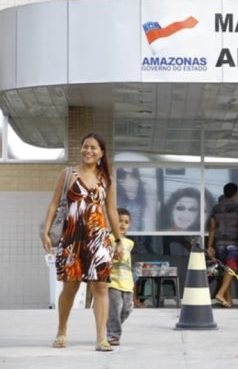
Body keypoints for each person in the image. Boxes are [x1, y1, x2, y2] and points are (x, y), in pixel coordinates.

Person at [41, 132, 122, 352]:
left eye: (93, 148)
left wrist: (119, 240)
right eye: (85, 146)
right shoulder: (68, 174)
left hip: (99, 239)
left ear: (101, 153)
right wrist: (46, 232)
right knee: (70, 287)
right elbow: (54, 204)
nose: (88, 150)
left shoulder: (107, 179)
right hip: (71, 239)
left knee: (101, 287)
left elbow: (112, 211)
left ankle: (101, 338)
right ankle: (61, 331)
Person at [207, 182, 238, 308]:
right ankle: (220, 294)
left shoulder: (216, 209)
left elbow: (212, 228)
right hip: (233, 243)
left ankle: (229, 300)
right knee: (231, 269)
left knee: (226, 271)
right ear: (235, 193)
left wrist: (209, 246)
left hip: (219, 244)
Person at [107, 208, 135, 346]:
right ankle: (113, 334)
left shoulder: (129, 243)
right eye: (119, 221)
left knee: (127, 309)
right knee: (116, 307)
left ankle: (111, 325)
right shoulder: (108, 239)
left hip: (127, 282)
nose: (123, 224)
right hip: (113, 281)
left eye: (126, 222)